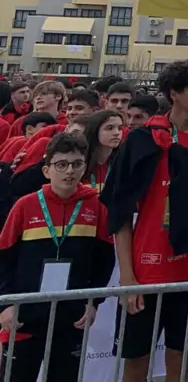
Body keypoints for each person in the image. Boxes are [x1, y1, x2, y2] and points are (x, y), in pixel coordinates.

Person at [101, 59, 188, 382]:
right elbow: (119, 214)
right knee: (136, 357)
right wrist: (128, 278)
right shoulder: (142, 141)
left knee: (181, 357)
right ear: (175, 93)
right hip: (147, 269)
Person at [0, 132, 115, 382]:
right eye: (61, 164)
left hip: (71, 315)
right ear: (46, 170)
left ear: (85, 167)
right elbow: (3, 258)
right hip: (24, 315)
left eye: (76, 164)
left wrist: (94, 302)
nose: (69, 172)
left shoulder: (96, 206)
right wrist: (6, 304)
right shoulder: (25, 205)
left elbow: (105, 261)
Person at [81, 109, 124, 192]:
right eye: (110, 128)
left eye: (120, 128)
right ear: (94, 130)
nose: (117, 133)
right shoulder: (80, 163)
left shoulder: (123, 163)